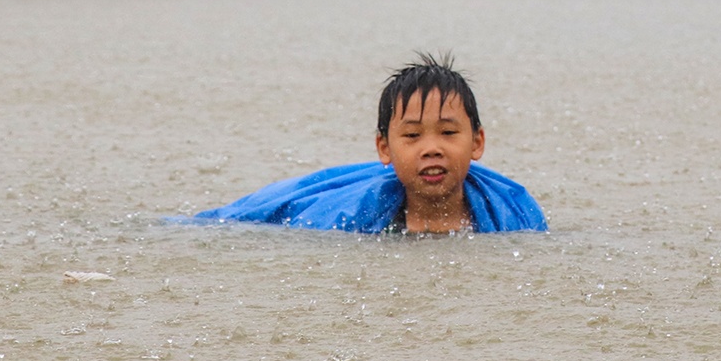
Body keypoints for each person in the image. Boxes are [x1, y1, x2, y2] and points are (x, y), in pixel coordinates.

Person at [192, 57, 545, 234]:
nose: (431, 148)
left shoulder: (513, 216)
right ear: (384, 149)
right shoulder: (349, 219)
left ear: (477, 142)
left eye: (448, 133)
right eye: (412, 135)